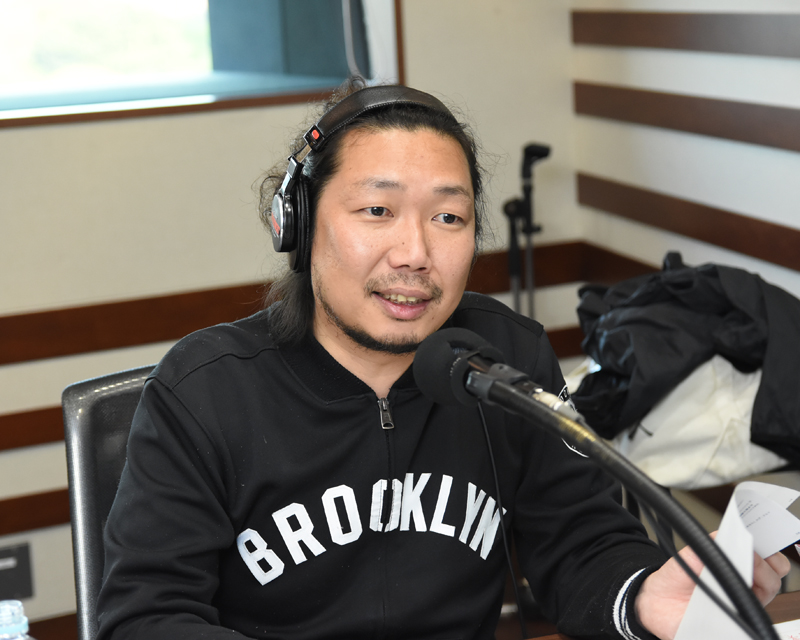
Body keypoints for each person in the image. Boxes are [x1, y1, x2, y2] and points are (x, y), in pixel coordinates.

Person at [95, 80, 789, 640]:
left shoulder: (506, 360)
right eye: (376, 210)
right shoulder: (205, 390)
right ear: (299, 227)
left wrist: (642, 595)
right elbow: (146, 617)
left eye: (448, 218)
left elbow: (580, 539)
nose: (415, 254)